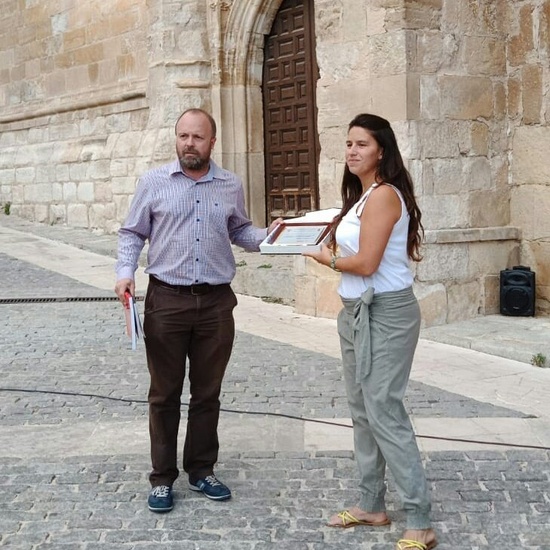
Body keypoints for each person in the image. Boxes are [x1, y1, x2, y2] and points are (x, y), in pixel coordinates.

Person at [115, 108, 282, 513]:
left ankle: (201, 470)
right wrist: (125, 272)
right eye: (183, 136)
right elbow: (132, 232)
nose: (189, 143)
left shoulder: (229, 184)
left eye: (197, 137)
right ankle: (161, 478)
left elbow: (240, 231)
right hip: (166, 301)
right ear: (177, 139)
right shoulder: (154, 182)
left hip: (215, 304)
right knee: (164, 394)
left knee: (208, 393)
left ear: (212, 142)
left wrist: (276, 236)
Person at [304, 113, 437, 550]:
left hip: (388, 313)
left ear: (382, 149)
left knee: (384, 409)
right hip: (356, 312)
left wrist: (325, 259)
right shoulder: (361, 198)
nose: (352, 151)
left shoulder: (384, 196)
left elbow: (366, 264)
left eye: (361, 144)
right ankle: (372, 505)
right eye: (348, 144)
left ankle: (419, 519)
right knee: (362, 408)